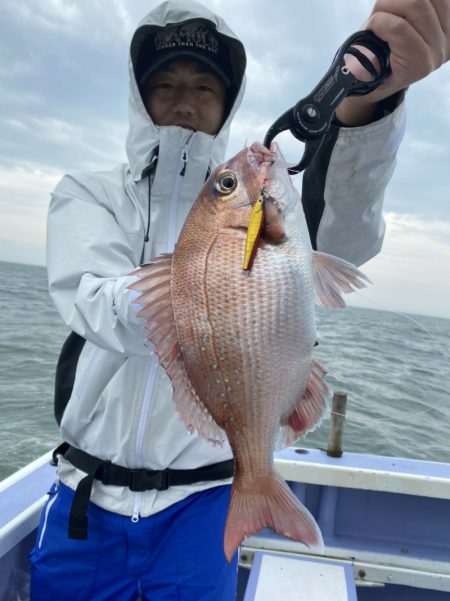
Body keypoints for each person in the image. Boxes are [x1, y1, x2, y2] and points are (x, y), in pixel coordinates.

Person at [30, 1, 450, 599]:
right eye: (165, 83)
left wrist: (366, 105)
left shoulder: (269, 209)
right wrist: (203, 292)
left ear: (228, 103)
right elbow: (93, 300)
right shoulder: (87, 193)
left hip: (204, 500)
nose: (185, 99)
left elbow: (345, 234)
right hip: (84, 497)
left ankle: (260, 481)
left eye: (205, 85)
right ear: (137, 96)